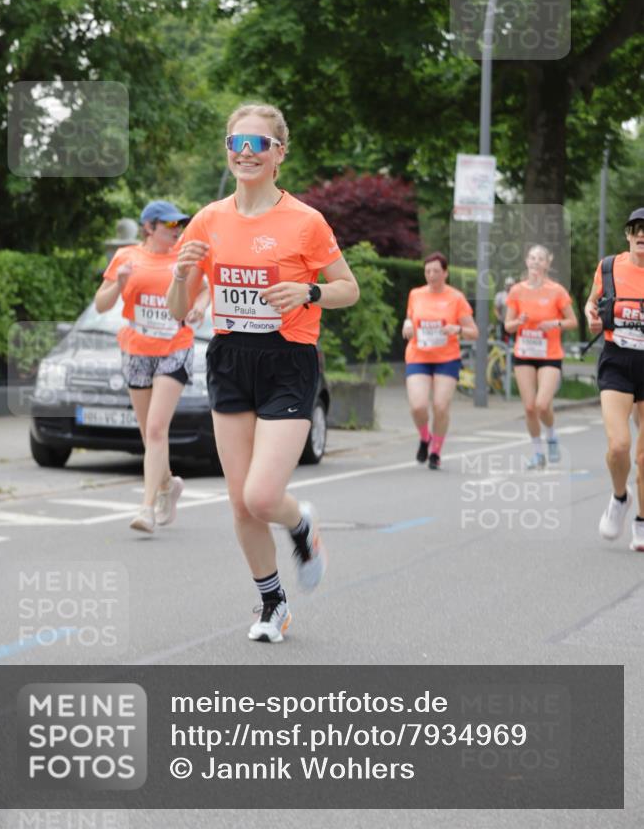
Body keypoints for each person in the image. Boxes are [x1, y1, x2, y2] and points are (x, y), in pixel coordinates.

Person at [168, 103, 360, 643]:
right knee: (239, 501)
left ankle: (301, 523)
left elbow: (348, 288)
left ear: (280, 154)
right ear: (227, 150)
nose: (246, 153)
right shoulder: (208, 220)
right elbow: (180, 309)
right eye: (237, 143)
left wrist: (309, 291)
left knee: (261, 495)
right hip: (230, 358)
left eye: (258, 144)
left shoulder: (305, 221)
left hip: (287, 361)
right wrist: (181, 276)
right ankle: (273, 603)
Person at [95, 200, 209, 535]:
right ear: (149, 227)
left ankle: (147, 507)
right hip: (137, 348)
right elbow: (101, 304)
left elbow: (204, 291)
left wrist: (200, 307)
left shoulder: (184, 258)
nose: (177, 231)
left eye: (180, 225)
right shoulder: (126, 257)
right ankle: (168, 484)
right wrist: (118, 283)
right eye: (170, 225)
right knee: (148, 433)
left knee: (157, 429)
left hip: (175, 346)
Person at [585, 207, 644, 552]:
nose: (642, 235)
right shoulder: (609, 267)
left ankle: (642, 522)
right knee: (619, 445)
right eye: (637, 229)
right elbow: (592, 304)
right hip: (617, 360)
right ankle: (620, 497)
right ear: (628, 235)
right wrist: (592, 315)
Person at [402, 252, 478, 469]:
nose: (431, 275)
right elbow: (410, 318)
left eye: (436, 271)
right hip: (418, 355)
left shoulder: (456, 298)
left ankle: (435, 451)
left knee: (441, 406)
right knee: (418, 406)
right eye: (427, 271)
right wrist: (407, 324)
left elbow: (474, 332)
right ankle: (424, 437)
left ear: (445, 273)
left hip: (446, 358)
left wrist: (457, 329)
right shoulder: (416, 294)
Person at [504, 244, 578, 469]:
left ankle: (552, 435)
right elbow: (508, 326)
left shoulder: (557, 291)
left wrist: (554, 323)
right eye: (532, 258)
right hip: (525, 352)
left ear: (547, 263)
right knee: (529, 408)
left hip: (549, 354)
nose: (535, 262)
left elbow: (572, 322)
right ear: (526, 261)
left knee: (542, 405)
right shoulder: (517, 291)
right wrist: (518, 322)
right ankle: (537, 453)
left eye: (540, 259)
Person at [494, 276, 516, 342]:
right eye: (508, 285)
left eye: (511, 285)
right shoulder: (500, 295)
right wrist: (499, 318)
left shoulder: (517, 295)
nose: (510, 287)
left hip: (514, 322)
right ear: (505, 285)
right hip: (503, 321)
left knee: (514, 339)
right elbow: (496, 309)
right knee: (502, 339)